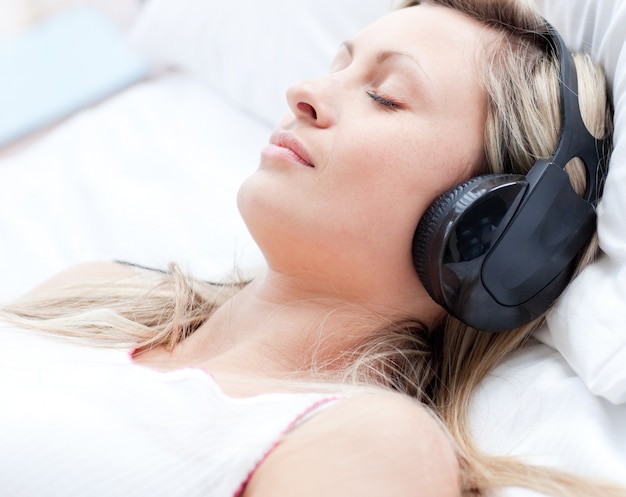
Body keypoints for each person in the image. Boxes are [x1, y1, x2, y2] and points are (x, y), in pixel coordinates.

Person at [0, 0, 622, 496]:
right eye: (335, 67)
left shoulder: (365, 440)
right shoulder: (88, 299)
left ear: (491, 225)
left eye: (386, 95)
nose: (303, 91)